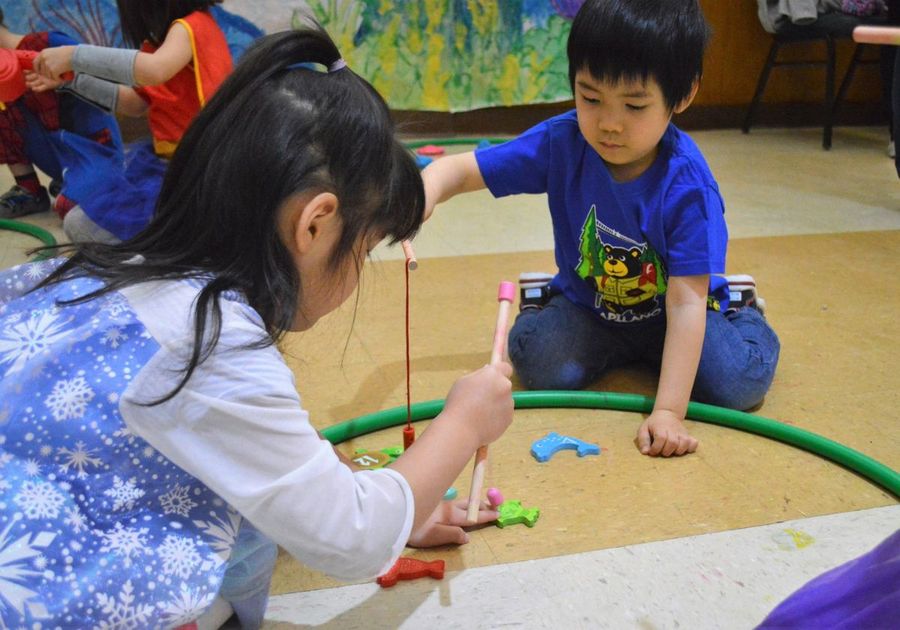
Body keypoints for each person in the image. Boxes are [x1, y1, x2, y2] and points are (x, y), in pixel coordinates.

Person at [0, 28, 513, 628]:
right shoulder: (212, 346)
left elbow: (236, 451)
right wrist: (464, 420)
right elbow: (353, 540)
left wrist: (402, 498)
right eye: (365, 248)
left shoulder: (92, 274)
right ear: (316, 225)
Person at [422, 0, 780, 458]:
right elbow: (462, 170)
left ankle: (743, 311)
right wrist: (425, 193)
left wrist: (669, 411)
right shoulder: (562, 141)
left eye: (634, 104)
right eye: (590, 98)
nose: (609, 124)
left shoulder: (688, 184)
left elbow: (687, 302)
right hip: (591, 307)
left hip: (680, 308)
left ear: (684, 94)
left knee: (738, 384)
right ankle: (548, 301)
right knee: (541, 364)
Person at [29, 0, 233, 243]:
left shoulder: (192, 25)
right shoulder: (164, 40)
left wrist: (74, 56)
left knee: (95, 228)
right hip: (171, 169)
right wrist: (71, 80)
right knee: (79, 224)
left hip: (202, 175)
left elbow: (155, 69)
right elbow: (137, 104)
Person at [0, 9, 123, 220]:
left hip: (92, 149)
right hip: (52, 151)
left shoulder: (52, 44)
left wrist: (68, 80)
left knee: (75, 209)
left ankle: (79, 183)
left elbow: (108, 79)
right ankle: (29, 189)